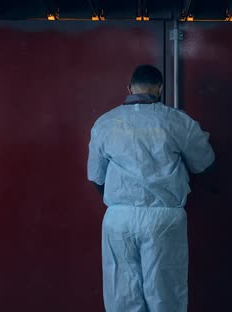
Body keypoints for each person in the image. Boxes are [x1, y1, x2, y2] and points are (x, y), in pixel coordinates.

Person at [87, 65, 215, 312]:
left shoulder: (105, 122)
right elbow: (204, 163)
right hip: (164, 217)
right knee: (166, 295)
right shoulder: (177, 121)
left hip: (119, 216)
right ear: (160, 89)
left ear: (128, 88)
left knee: (122, 296)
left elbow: (96, 177)